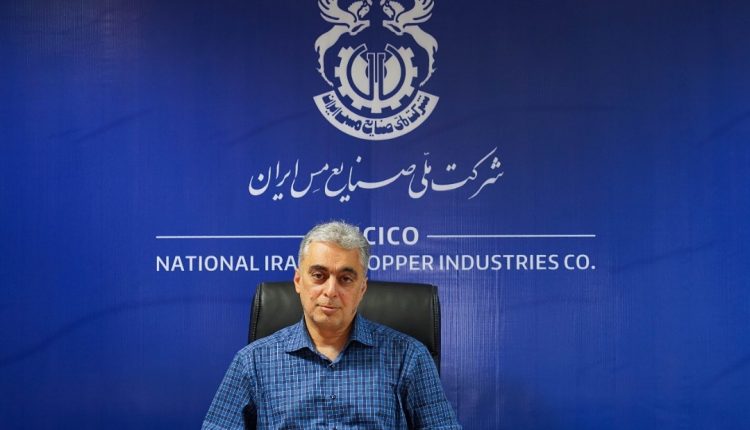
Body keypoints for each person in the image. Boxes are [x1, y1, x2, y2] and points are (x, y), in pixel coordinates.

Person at [202, 221, 461, 429]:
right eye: (319, 275)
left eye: (345, 279)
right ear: (298, 281)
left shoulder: (408, 357)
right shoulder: (253, 362)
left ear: (362, 289)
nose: (330, 290)